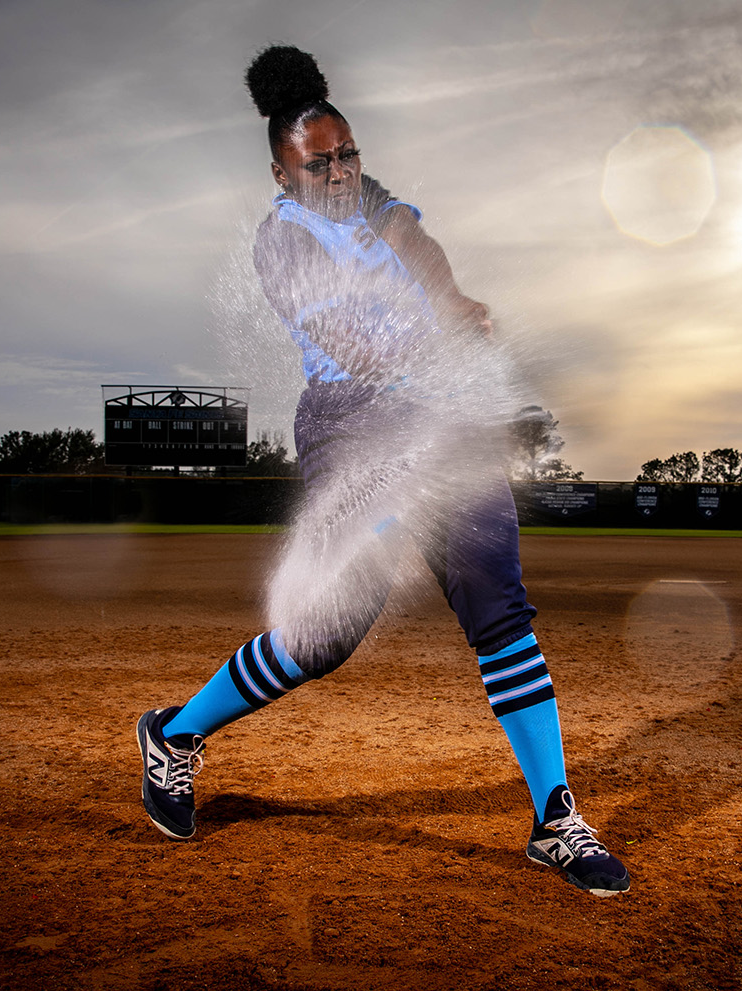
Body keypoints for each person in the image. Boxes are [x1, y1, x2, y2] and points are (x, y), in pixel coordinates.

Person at [135, 45, 630, 897]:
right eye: (318, 162)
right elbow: (350, 344)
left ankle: (555, 818)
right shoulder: (281, 240)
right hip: (352, 430)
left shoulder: (366, 198)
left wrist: (452, 299)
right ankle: (175, 735)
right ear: (282, 175)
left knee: (497, 602)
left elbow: (415, 240)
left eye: (349, 152)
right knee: (324, 637)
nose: (339, 172)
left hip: (436, 416)